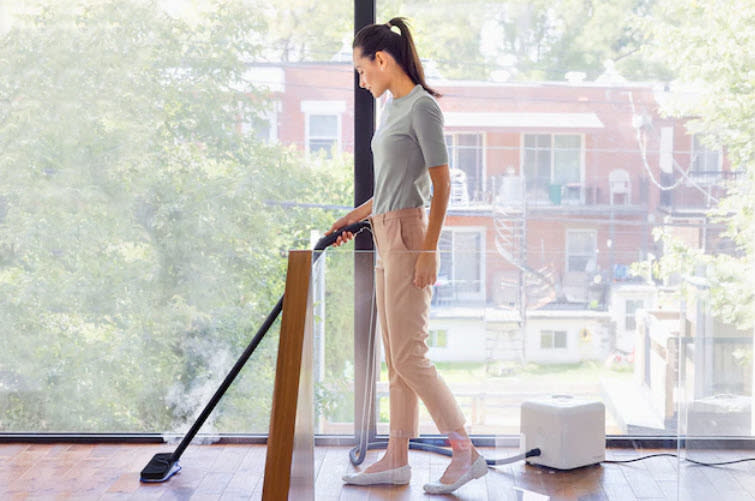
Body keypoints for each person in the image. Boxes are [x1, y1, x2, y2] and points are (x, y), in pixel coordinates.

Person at [326, 17, 487, 494]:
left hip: (410, 236)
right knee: (395, 360)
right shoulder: (392, 109)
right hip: (385, 232)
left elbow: (441, 185)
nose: (361, 80)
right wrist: (349, 219)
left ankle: (466, 452)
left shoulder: (422, 109)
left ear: (382, 59)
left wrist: (429, 251)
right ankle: (396, 459)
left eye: (362, 69)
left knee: (411, 356)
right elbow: (388, 190)